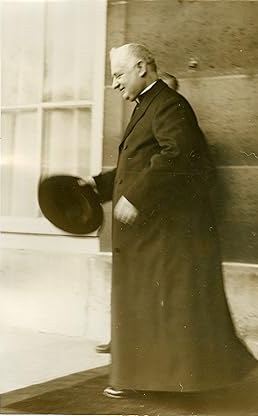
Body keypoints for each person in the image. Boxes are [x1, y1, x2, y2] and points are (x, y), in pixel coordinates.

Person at [83, 43, 258, 398]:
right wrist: (97, 185)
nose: (114, 84)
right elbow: (138, 163)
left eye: (118, 75)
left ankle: (147, 380)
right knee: (143, 306)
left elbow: (177, 155)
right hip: (151, 231)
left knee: (156, 308)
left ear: (142, 68)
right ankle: (137, 378)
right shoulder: (149, 105)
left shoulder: (168, 104)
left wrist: (137, 197)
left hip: (163, 233)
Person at [95, 70, 180, 356]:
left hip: (161, 227)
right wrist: (95, 186)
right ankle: (122, 342)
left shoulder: (173, 123)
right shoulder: (142, 121)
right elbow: (129, 169)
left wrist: (137, 197)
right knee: (133, 289)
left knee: (153, 294)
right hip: (136, 222)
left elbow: (171, 171)